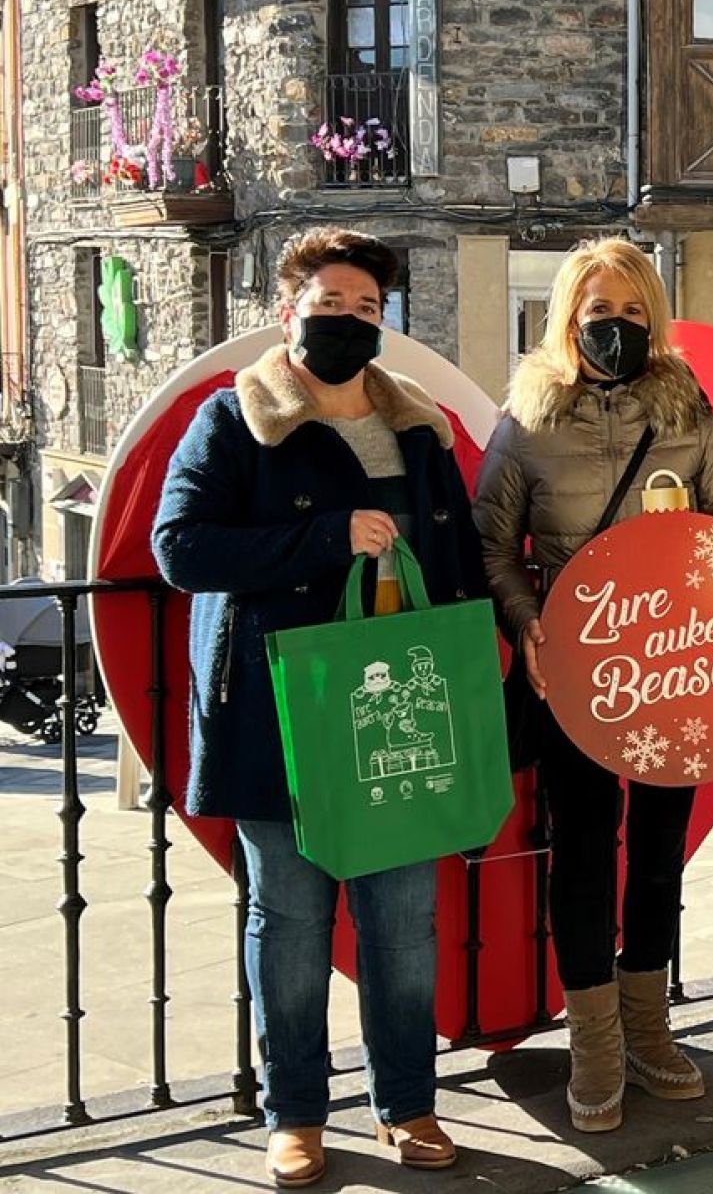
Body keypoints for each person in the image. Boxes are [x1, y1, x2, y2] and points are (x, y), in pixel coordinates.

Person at [153, 227, 485, 1187]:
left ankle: (408, 1106)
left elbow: (456, 562)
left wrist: (485, 678)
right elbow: (183, 551)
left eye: (368, 309)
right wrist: (327, 539)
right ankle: (294, 1113)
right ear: (286, 311)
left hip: (402, 711)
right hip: (277, 710)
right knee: (291, 923)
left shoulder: (420, 430)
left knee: (401, 923)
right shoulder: (233, 421)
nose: (348, 321)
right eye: (330, 304)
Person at [472, 236, 713, 1134]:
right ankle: (595, 1040)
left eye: (635, 312)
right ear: (569, 316)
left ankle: (649, 1025)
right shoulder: (527, 418)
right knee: (587, 847)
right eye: (601, 311)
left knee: (660, 849)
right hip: (578, 673)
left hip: (675, 668)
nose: (617, 327)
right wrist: (532, 625)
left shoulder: (687, 410)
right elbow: (490, 545)